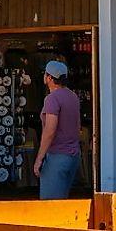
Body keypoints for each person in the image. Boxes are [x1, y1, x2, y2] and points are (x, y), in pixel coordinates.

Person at [32, 58, 83, 200]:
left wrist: (39, 159)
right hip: (73, 156)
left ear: (49, 78)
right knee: (63, 202)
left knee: (51, 206)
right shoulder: (73, 97)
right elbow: (77, 127)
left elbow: (50, 130)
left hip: (57, 156)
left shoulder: (52, 99)